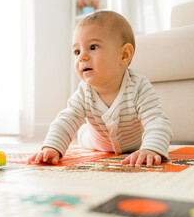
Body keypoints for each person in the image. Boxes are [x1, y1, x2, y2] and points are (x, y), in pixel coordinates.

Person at [28, 10, 172, 168]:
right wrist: (52, 147)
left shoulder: (138, 86)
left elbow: (157, 121)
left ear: (124, 55)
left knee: (88, 130)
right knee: (82, 134)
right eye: (77, 51)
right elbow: (66, 120)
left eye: (93, 47)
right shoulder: (84, 92)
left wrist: (150, 149)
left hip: (135, 144)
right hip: (94, 140)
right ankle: (84, 130)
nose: (82, 56)